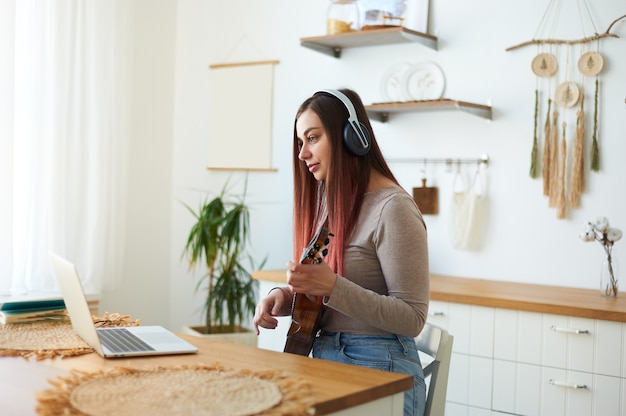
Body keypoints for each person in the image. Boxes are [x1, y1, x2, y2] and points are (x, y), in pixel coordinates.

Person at [253, 88, 429, 416]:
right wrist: (285, 296)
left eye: (312, 138)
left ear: (352, 137)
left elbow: (412, 318)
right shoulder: (331, 204)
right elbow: (325, 296)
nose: (303, 153)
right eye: (300, 143)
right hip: (325, 357)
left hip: (380, 365)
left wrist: (333, 286)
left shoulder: (394, 208)